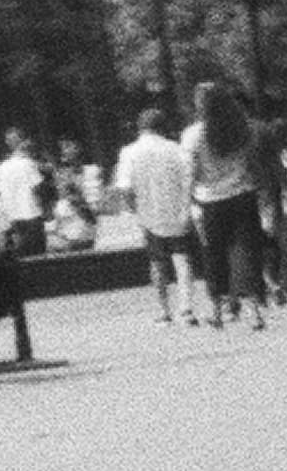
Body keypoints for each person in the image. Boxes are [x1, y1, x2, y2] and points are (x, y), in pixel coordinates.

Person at [185, 80, 273, 331]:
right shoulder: (241, 128)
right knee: (248, 251)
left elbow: (191, 172)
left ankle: (219, 308)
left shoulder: (194, 135)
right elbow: (253, 164)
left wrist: (188, 201)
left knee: (214, 255)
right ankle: (255, 308)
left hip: (211, 200)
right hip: (243, 196)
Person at [113, 106, 200, 322]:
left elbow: (124, 188)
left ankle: (164, 310)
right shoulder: (178, 150)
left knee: (157, 263)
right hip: (178, 211)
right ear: (163, 127)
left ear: (140, 128)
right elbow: (190, 179)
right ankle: (186, 308)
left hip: (149, 214)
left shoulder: (129, 152)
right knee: (182, 261)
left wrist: (134, 209)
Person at [0, 131, 51, 259]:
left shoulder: (1, 168)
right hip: (31, 216)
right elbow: (37, 189)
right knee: (38, 258)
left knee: (19, 257)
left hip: (11, 218)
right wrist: (46, 211)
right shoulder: (28, 164)